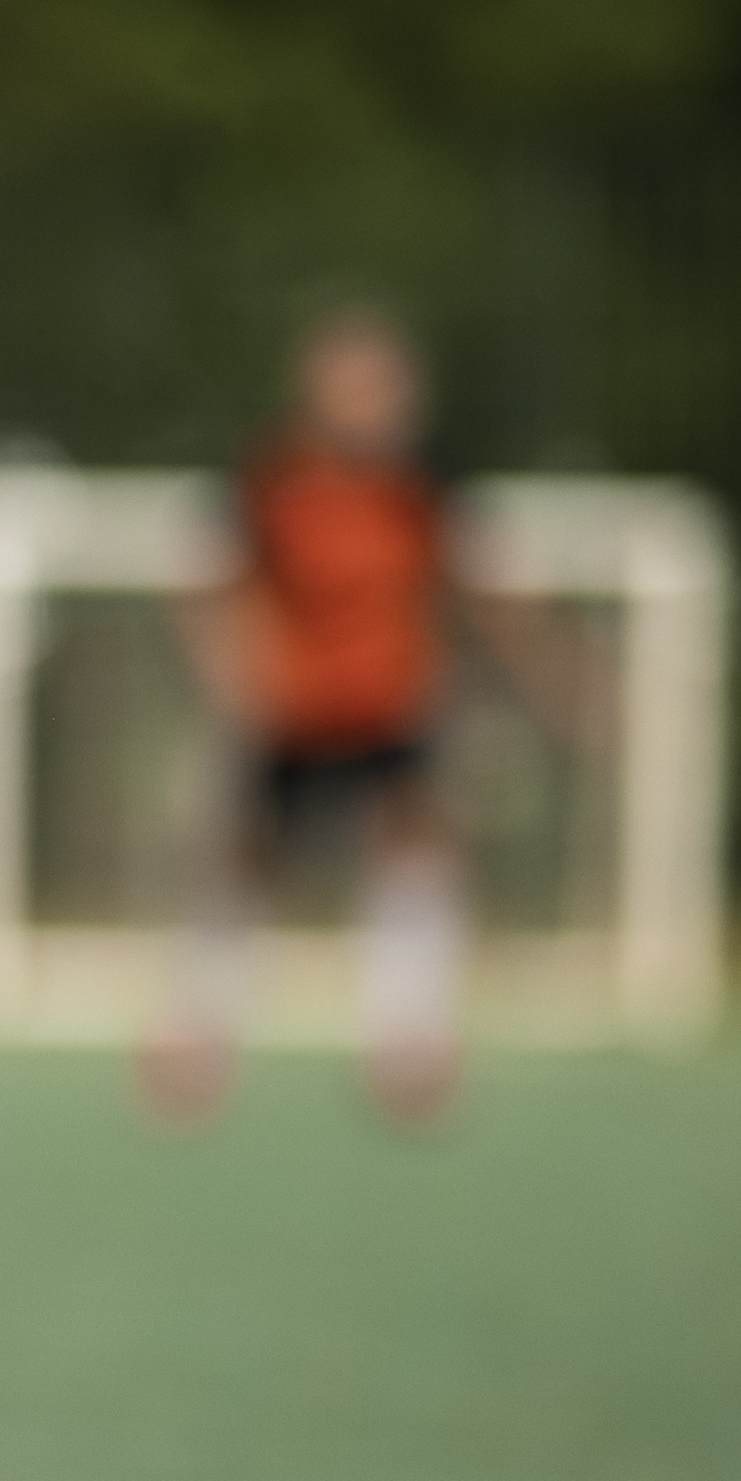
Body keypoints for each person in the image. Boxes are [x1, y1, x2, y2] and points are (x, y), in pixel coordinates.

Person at [144, 304, 574, 1129]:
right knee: (244, 858)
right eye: (352, 386)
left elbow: (487, 589)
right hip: (292, 710)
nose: (370, 403)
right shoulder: (269, 478)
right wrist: (233, 671)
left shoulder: (426, 485)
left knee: (415, 846)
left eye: (382, 386)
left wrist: (557, 675)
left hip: (388, 705)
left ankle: (407, 1035)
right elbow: (203, 578)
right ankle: (197, 1029)